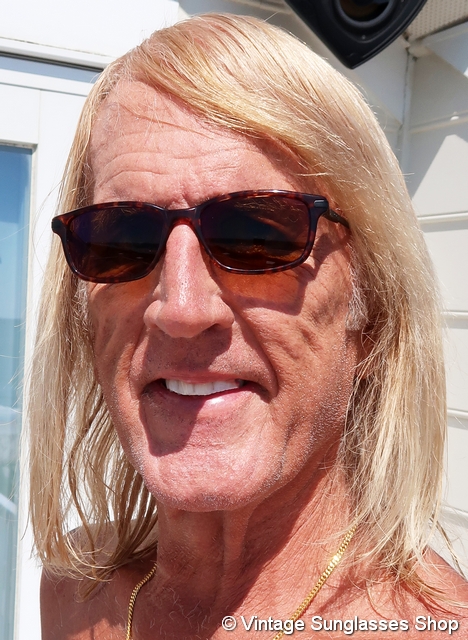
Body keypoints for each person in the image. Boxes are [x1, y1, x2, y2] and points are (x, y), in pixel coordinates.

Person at [30, 13, 468, 640]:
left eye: (257, 235)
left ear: (371, 310)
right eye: (122, 239)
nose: (181, 309)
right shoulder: (77, 591)